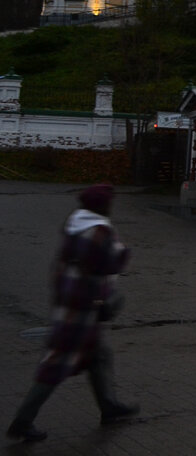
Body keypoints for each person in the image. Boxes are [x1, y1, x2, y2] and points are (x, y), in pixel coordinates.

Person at [6, 184, 138, 443]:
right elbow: (110, 263)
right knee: (56, 365)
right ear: (101, 205)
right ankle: (22, 421)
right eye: (110, 202)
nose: (112, 206)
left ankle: (108, 406)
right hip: (83, 307)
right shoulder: (99, 231)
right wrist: (124, 252)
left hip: (68, 301)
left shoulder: (74, 225)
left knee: (98, 356)